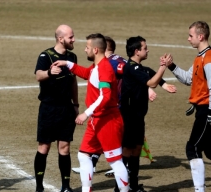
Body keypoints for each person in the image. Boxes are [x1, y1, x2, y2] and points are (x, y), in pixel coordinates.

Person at [71, 36, 176, 182]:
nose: (87, 50)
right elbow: (140, 73)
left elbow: (140, 73)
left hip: (118, 111)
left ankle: (125, 184)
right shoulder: (109, 64)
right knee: (114, 144)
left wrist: (155, 85)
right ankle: (114, 177)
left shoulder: (113, 63)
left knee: (121, 147)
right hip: (124, 111)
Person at [53, 33, 132, 192]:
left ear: (95, 49)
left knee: (115, 160)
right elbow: (87, 73)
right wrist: (68, 64)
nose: (85, 49)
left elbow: (106, 96)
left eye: (87, 47)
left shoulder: (104, 68)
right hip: (97, 121)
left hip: (108, 120)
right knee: (84, 154)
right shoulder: (96, 67)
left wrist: (85, 113)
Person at [119, 36, 171, 192]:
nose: (147, 50)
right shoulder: (131, 68)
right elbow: (151, 82)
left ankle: (133, 187)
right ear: (137, 51)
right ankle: (118, 188)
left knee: (136, 149)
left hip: (138, 116)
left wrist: (165, 84)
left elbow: (150, 73)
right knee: (127, 151)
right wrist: (163, 67)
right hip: (128, 116)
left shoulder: (139, 68)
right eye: (145, 48)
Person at [166, 21, 211, 192]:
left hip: (207, 110)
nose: (188, 38)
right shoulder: (199, 58)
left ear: (200, 36)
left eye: (190, 35)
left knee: (192, 148)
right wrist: (171, 66)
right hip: (203, 109)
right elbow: (187, 79)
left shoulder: (208, 59)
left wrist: (210, 114)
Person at [33, 24, 79, 192]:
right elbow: (38, 75)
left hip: (66, 108)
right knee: (44, 147)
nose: (74, 40)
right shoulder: (46, 55)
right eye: (71, 37)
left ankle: (66, 188)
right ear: (61, 39)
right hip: (49, 108)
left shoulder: (72, 57)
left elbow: (73, 82)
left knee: (65, 147)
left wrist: (75, 104)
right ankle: (39, 188)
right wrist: (49, 72)